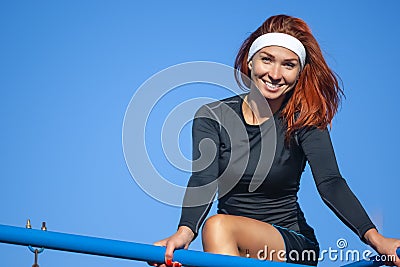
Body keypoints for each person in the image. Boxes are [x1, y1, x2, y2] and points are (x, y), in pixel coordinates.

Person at [151, 14, 400, 266]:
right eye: (267, 60)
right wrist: (185, 232)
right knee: (214, 234)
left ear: (299, 72)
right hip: (230, 247)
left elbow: (331, 182)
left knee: (216, 227)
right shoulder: (213, 116)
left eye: (288, 65)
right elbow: (204, 178)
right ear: (250, 61)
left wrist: (376, 239)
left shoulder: (305, 121)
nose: (275, 74)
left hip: (292, 246)